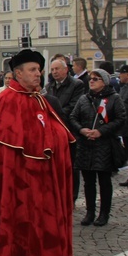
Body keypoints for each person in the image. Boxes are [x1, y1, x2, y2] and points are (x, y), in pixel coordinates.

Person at [0, 49, 76, 256]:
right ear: (17, 73)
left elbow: (54, 133)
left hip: (42, 180)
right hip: (17, 183)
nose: (38, 74)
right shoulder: (6, 100)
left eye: (39, 70)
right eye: (33, 70)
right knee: (17, 224)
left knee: (44, 226)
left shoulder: (41, 99)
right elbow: (3, 153)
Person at [69, 69, 126, 227]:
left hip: (104, 145)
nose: (91, 81)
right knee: (88, 182)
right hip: (85, 145)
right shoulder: (84, 99)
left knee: (104, 181)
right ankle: (90, 212)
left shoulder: (114, 99)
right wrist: (81, 130)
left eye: (96, 79)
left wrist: (101, 131)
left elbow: (121, 119)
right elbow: (73, 117)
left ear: (105, 82)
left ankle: (104, 213)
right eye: (91, 79)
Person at [46, 58, 86, 199]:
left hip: (69, 129)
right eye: (52, 69)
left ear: (65, 70)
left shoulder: (77, 84)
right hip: (53, 130)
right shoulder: (49, 86)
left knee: (72, 165)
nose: (55, 72)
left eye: (57, 69)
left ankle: (72, 196)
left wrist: (55, 114)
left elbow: (75, 105)